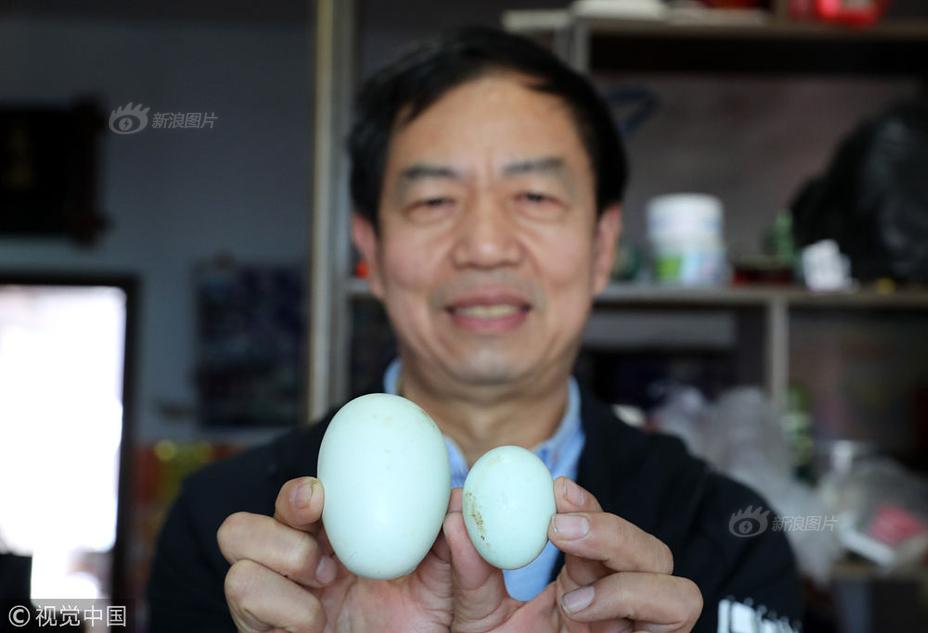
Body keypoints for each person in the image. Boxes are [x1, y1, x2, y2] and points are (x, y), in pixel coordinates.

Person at [147, 27, 803, 633]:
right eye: (434, 200)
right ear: (369, 248)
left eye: (536, 197)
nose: (486, 246)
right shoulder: (236, 539)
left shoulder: (726, 532)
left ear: (603, 245)